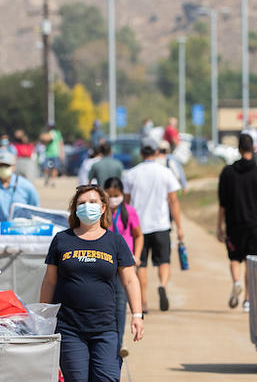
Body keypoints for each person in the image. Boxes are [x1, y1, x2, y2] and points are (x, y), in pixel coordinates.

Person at [40, 184, 144, 381]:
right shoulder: (61, 240)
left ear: (103, 207)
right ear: (75, 209)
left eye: (93, 202)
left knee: (107, 378)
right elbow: (49, 282)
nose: (87, 206)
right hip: (70, 328)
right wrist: (44, 317)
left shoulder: (115, 241)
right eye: (82, 203)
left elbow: (130, 280)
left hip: (105, 329)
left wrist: (137, 315)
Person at [123, 138, 183, 313]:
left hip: (138, 228)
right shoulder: (165, 172)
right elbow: (173, 201)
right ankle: (162, 285)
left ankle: (143, 302)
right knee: (164, 261)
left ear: (141, 153)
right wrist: (179, 227)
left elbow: (126, 203)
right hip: (161, 224)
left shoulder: (132, 174)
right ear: (157, 153)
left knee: (140, 264)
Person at [216, 134, 257, 312]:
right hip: (254, 225)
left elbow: (222, 203)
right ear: (254, 148)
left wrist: (219, 226)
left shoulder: (227, 173)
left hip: (233, 223)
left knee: (234, 258)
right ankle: (247, 299)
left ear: (238, 149)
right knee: (250, 261)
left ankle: (236, 281)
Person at [103, 177, 143, 347]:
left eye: (116, 195)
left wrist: (137, 255)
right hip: (105, 264)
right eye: (109, 195)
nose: (113, 198)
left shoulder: (129, 211)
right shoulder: (100, 213)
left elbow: (138, 235)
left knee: (120, 305)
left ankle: (117, 344)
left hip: (124, 264)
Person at [0, 152, 39, 227]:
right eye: (1, 165)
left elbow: (36, 211)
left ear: (13, 167)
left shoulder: (26, 186)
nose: (3, 168)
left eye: (6, 165)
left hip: (22, 229)